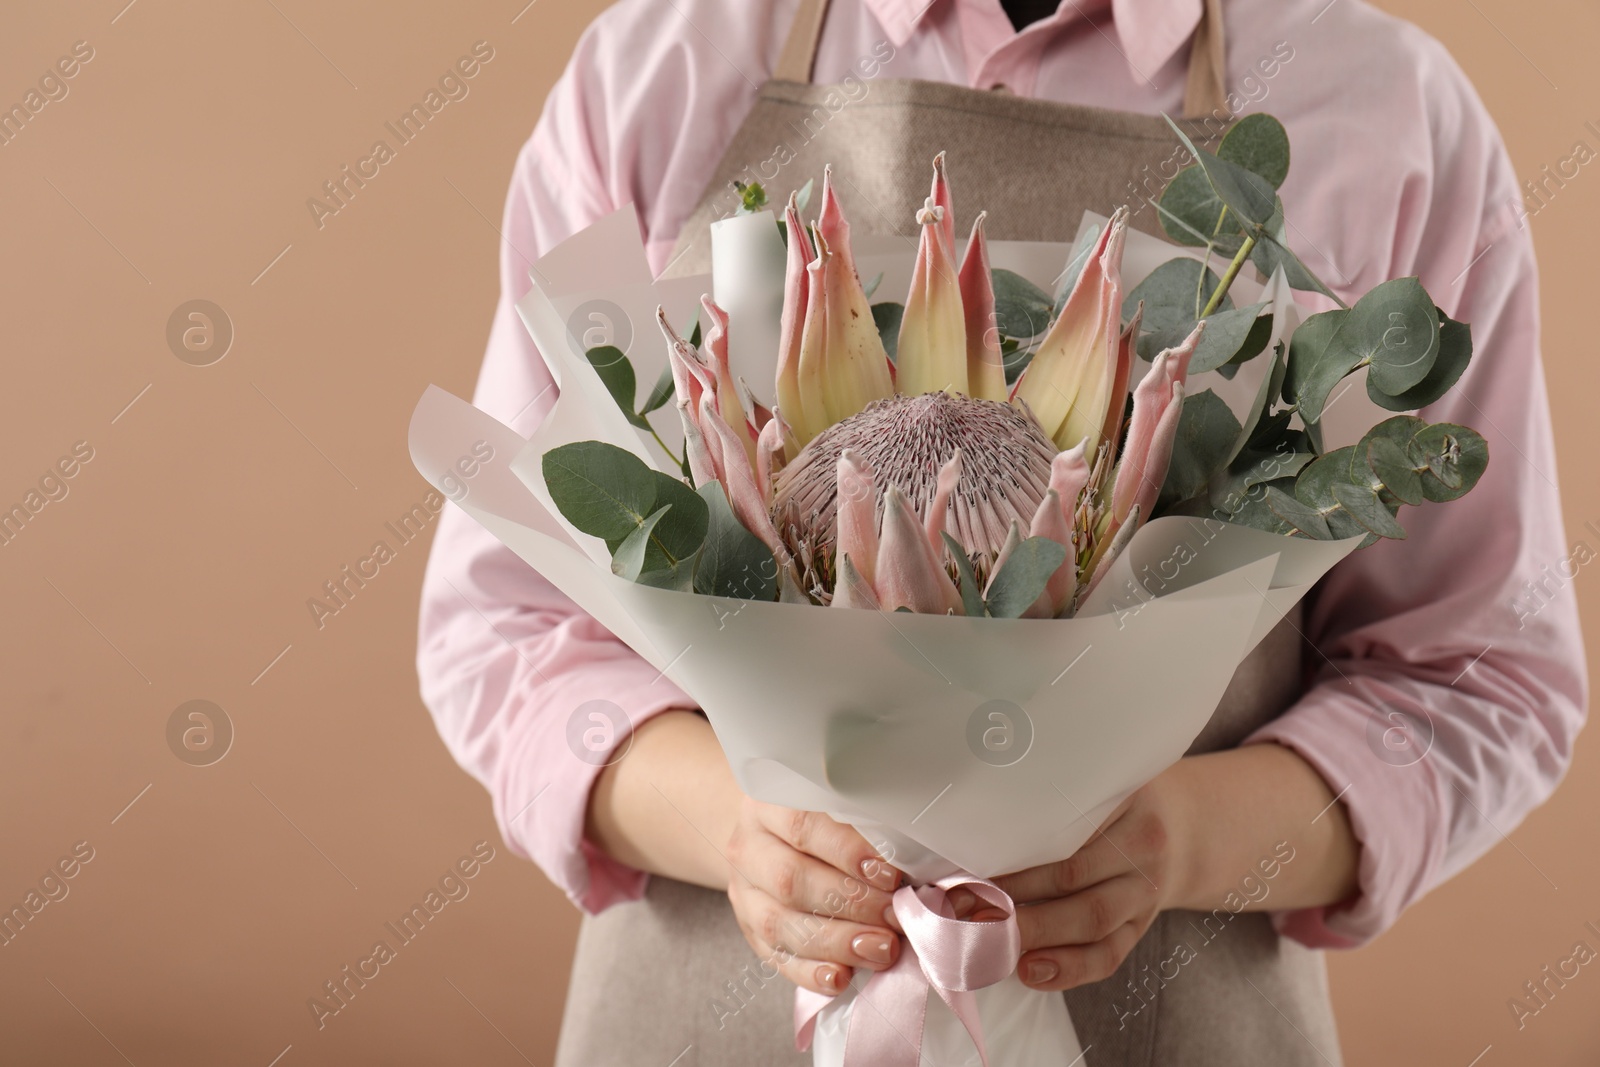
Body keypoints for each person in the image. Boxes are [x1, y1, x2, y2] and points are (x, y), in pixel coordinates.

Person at [416, 0, 1588, 1062]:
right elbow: (507, 629)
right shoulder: (661, 69)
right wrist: (737, 830)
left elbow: (1480, 673)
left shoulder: (1385, 110)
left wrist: (1178, 841)